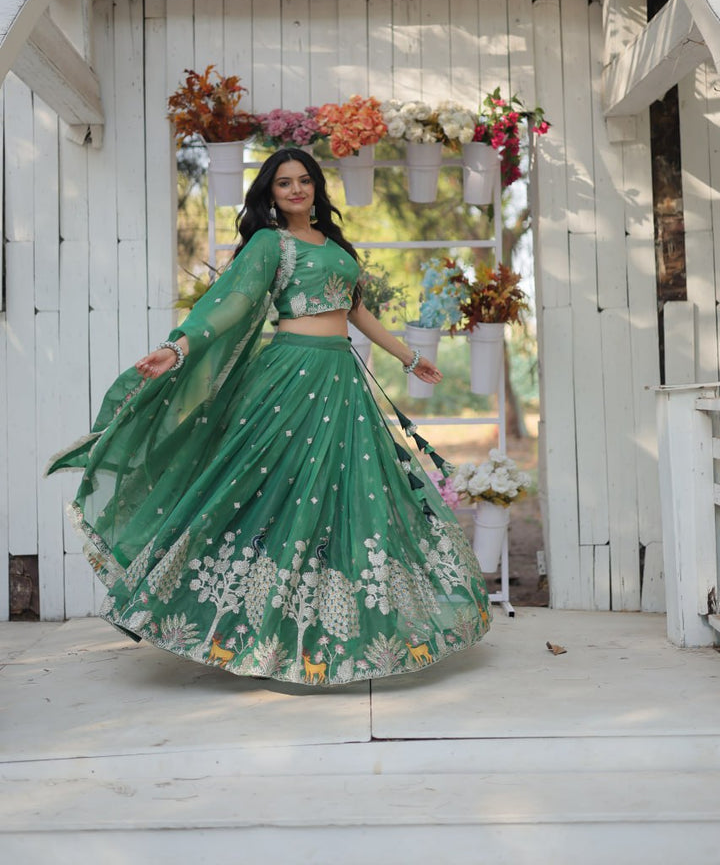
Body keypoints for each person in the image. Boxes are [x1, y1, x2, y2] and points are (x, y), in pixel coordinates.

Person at [47, 148, 490, 686]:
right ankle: (234, 626)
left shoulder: (334, 245)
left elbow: (353, 310)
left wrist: (409, 357)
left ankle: (337, 633)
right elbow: (231, 303)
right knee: (266, 491)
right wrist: (180, 348)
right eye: (284, 183)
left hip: (339, 381)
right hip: (288, 378)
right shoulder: (269, 243)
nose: (297, 190)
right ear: (271, 194)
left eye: (305, 180)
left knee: (344, 494)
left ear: (316, 187)